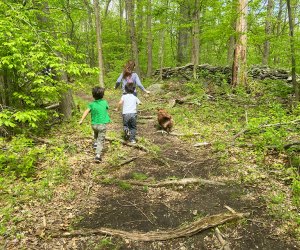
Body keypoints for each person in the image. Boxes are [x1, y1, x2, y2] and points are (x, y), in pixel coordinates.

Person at [79, 87, 111, 163]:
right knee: (101, 139)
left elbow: (86, 112)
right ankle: (97, 156)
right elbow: (107, 108)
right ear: (102, 95)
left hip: (94, 125)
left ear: (93, 95)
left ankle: (95, 143)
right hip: (102, 125)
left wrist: (81, 120)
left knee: (96, 134)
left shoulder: (91, 104)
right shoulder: (104, 102)